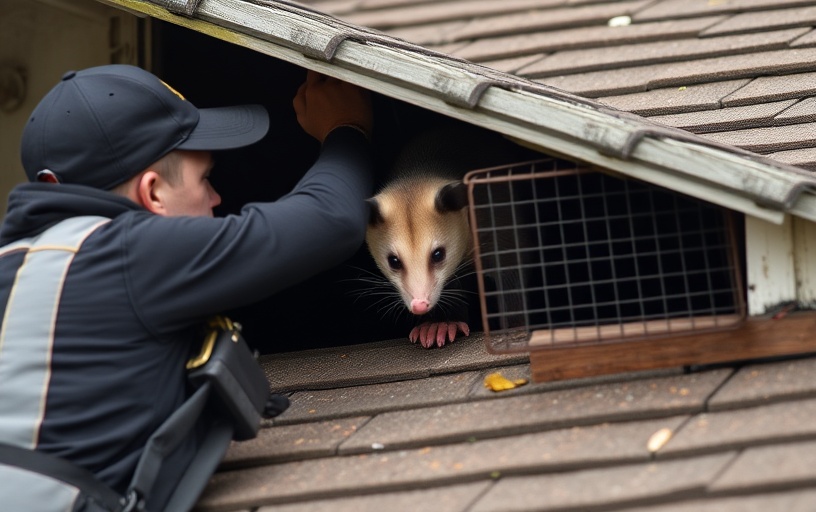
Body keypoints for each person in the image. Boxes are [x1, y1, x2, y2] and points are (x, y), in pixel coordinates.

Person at [0, 64, 373, 510]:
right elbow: (330, 219)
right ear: (153, 193)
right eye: (206, 179)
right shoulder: (132, 252)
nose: (217, 198)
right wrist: (346, 129)